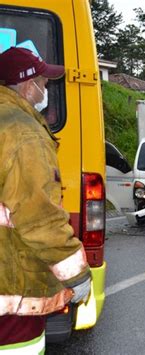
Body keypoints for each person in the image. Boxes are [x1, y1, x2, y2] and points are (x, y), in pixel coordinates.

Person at [0, 47, 91, 353]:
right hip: (11, 292)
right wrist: (76, 275)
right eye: (43, 81)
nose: (46, 88)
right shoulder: (22, 132)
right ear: (27, 84)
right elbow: (39, 216)